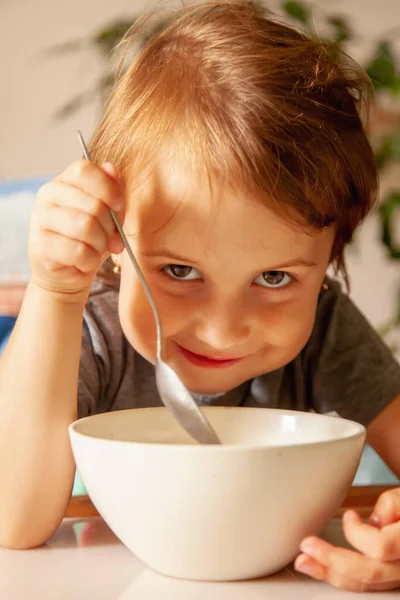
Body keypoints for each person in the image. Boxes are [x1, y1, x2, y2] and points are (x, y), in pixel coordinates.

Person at [0, 1, 399, 592]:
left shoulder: (328, 332)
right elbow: (13, 521)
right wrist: (58, 291)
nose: (221, 330)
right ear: (116, 235)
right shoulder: (93, 331)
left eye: (274, 279)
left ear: (330, 259)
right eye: (181, 270)